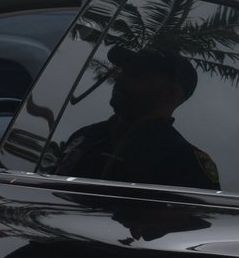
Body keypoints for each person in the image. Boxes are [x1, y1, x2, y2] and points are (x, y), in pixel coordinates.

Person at [53, 45, 220, 190]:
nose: (119, 78)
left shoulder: (185, 162)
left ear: (171, 94)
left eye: (137, 74)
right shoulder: (86, 135)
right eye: (124, 70)